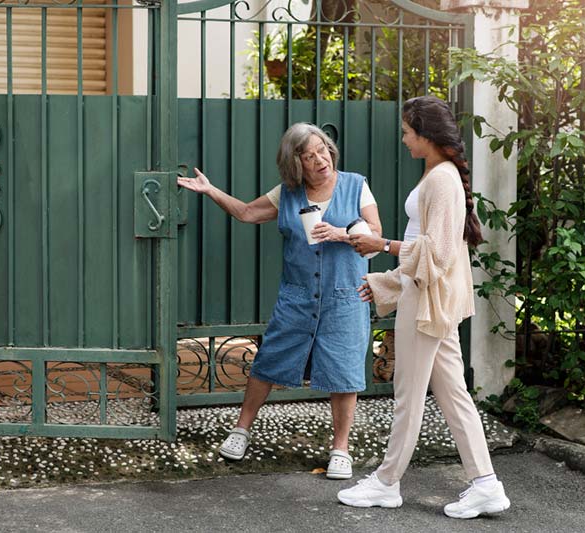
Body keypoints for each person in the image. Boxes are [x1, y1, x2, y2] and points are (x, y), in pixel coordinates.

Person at [177, 123, 382, 480]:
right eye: (309, 155)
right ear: (295, 163)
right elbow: (245, 213)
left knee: (345, 373)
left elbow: (375, 234)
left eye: (323, 150)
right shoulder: (287, 193)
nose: (320, 159)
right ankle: (241, 431)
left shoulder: (355, 184)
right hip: (298, 296)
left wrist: (341, 233)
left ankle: (340, 449)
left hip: (344, 295)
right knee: (268, 361)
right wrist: (210, 191)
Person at [337, 96, 511, 518]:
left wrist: (382, 246)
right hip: (428, 298)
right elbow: (428, 250)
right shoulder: (438, 175)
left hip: (427, 302)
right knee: (453, 395)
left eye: (407, 131)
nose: (403, 138)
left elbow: (439, 253)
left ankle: (385, 481)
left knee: (407, 395)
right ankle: (486, 484)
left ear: (426, 134)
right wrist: (389, 282)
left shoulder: (441, 180)